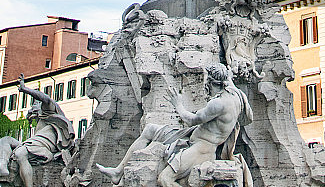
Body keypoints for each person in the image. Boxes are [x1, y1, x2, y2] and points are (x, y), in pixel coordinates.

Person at [96, 64, 252, 187]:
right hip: (192, 135)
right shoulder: (236, 94)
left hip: (203, 148)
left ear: (210, 82)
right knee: (150, 129)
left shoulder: (218, 104)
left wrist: (178, 105)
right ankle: (118, 172)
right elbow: (247, 115)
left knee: (164, 179)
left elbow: (191, 120)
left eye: (206, 80)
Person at [0, 75, 75, 187]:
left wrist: (25, 89)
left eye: (35, 105)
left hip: (46, 149)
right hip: (34, 146)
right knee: (5, 140)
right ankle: (3, 166)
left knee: (20, 153)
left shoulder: (49, 110)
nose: (33, 107)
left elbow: (45, 98)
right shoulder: (40, 122)